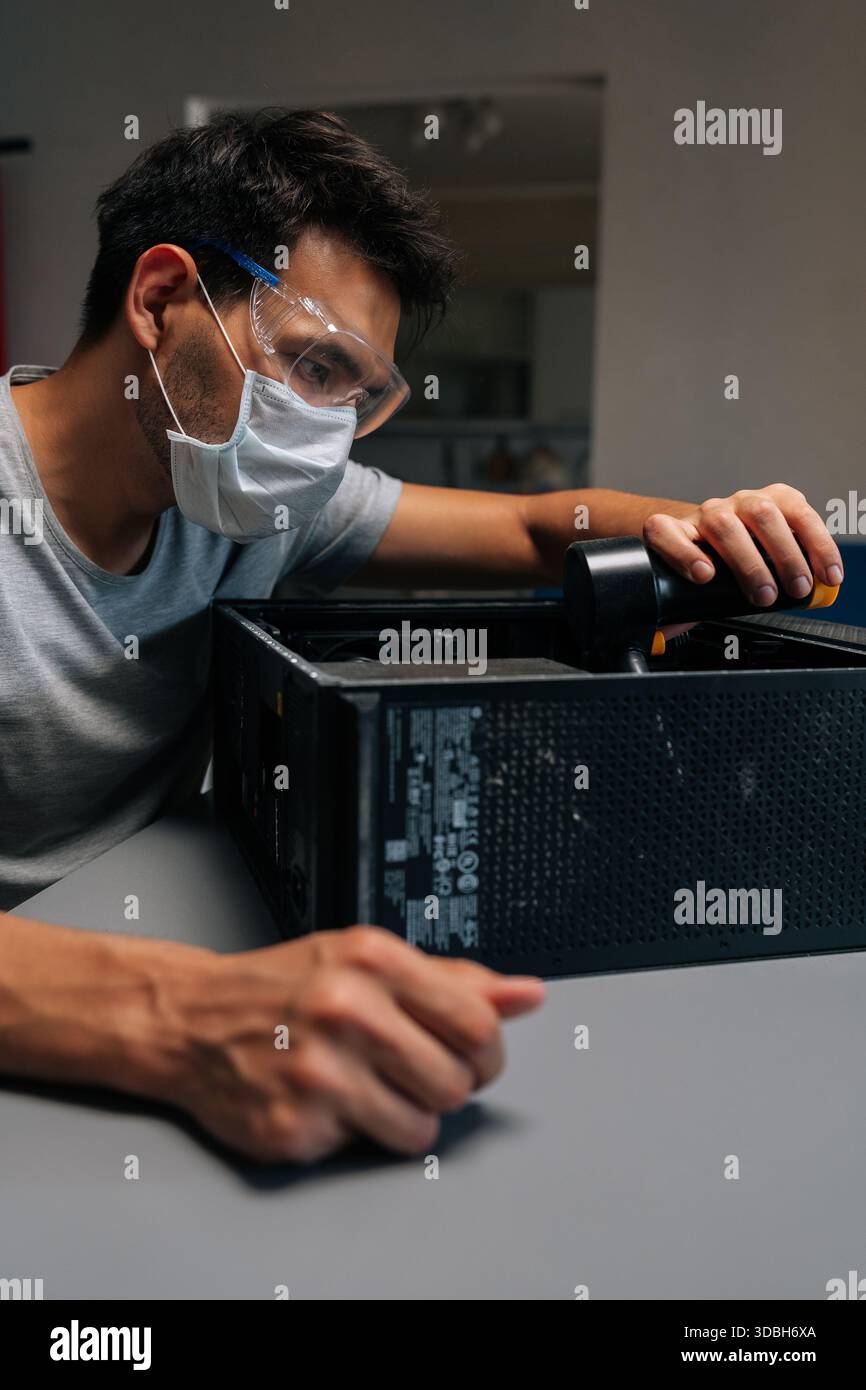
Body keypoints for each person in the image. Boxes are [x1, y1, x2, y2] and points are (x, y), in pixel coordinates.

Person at [0, 110, 843, 1164]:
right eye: (311, 367)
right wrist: (191, 1014)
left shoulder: (248, 493)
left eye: (358, 394)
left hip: (160, 919)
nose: (323, 438)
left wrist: (719, 528)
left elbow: (538, 525)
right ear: (162, 299)